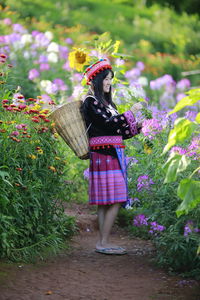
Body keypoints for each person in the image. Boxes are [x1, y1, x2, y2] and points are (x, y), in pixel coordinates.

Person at [81, 59, 143, 255]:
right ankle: (104, 242)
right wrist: (130, 113)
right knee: (116, 198)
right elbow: (108, 124)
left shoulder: (107, 103)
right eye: (106, 79)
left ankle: (103, 242)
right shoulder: (91, 102)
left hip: (111, 152)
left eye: (110, 80)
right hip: (103, 154)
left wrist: (137, 127)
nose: (109, 83)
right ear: (96, 81)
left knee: (106, 200)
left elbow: (119, 130)